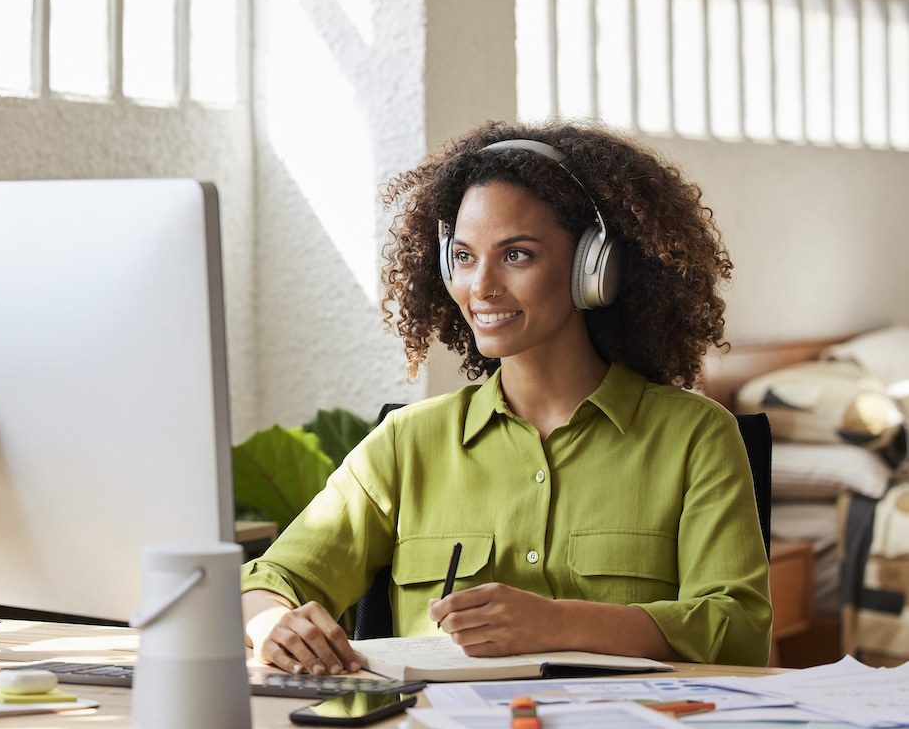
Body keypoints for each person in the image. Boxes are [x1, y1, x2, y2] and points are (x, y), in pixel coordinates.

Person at [240, 120, 772, 676]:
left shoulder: (695, 436)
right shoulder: (407, 443)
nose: (482, 286)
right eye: (465, 257)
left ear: (596, 268)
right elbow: (269, 581)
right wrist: (272, 623)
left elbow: (738, 629)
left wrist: (560, 624)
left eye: (516, 255)